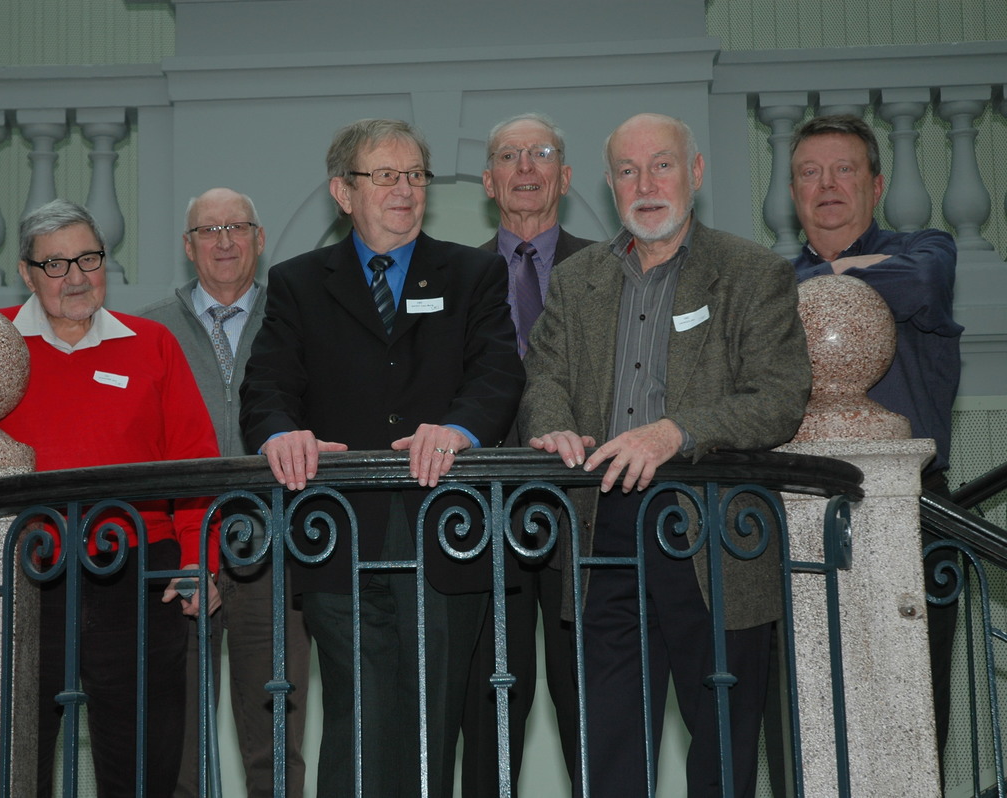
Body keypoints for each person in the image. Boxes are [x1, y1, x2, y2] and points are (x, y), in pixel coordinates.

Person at [0, 199, 221, 798]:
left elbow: (195, 463)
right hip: (24, 578)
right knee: (15, 760)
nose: (76, 277)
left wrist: (201, 560)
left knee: (143, 765)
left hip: (140, 579)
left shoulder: (151, 343)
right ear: (27, 273)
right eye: (55, 264)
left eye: (89, 258)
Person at [519, 113, 812, 798]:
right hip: (601, 531)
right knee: (609, 749)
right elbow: (545, 378)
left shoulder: (752, 273)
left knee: (722, 751)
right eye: (628, 171)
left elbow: (778, 398)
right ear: (610, 183)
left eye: (662, 165)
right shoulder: (576, 279)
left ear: (695, 172)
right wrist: (553, 427)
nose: (645, 184)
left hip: (712, 532)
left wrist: (676, 433)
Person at [239, 118, 525, 797]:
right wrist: (280, 434)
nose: (405, 190)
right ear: (344, 192)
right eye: (386, 176)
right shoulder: (298, 282)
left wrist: (458, 429)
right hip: (338, 530)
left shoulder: (474, 272)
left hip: (447, 526)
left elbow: (498, 373)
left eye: (415, 175)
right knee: (357, 718)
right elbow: (266, 388)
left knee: (432, 721)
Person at [788, 113, 962, 755]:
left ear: (876, 184)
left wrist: (828, 278)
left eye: (844, 170)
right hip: (800, 511)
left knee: (911, 708)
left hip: (916, 507)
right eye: (810, 173)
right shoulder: (770, 279)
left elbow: (918, 284)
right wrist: (838, 273)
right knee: (812, 709)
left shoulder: (928, 249)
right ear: (793, 192)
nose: (827, 185)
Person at [139, 187, 312, 798]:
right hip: (179, 553)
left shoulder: (296, 319)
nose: (224, 242)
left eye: (236, 227)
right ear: (188, 248)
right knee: (179, 746)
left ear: (259, 240)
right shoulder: (147, 331)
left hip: (277, 551)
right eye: (208, 231)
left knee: (276, 742)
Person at [461, 112, 593, 796]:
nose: (525, 167)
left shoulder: (610, 267)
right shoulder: (456, 276)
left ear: (564, 176)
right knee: (491, 704)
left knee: (592, 701)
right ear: (489, 182)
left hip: (586, 504)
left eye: (540, 153)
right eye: (508, 156)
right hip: (483, 514)